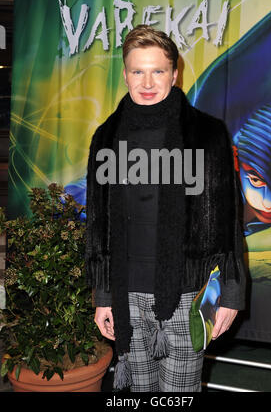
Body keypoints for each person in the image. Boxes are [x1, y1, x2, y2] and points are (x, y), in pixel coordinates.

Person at [85, 25, 246, 392]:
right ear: (125, 74)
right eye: (138, 71)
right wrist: (104, 297)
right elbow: (99, 225)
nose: (147, 81)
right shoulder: (106, 137)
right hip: (127, 296)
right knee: (140, 393)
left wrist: (231, 294)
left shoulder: (207, 135)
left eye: (158, 70)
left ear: (175, 73)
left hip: (189, 292)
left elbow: (227, 219)